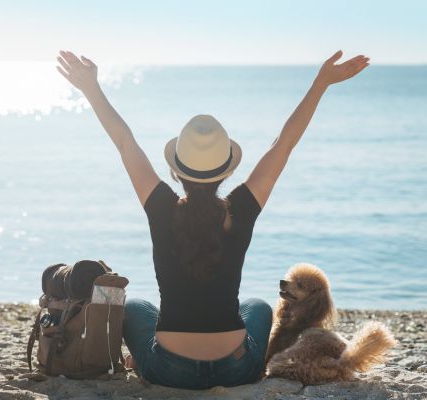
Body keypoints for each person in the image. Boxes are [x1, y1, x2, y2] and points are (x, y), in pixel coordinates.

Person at [56, 49, 369, 389]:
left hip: (167, 370)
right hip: (236, 370)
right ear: (226, 170)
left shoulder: (161, 206)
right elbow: (284, 143)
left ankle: (144, 356)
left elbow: (124, 140)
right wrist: (321, 83)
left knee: (133, 307)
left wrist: (91, 89)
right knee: (259, 307)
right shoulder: (242, 208)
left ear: (176, 171)